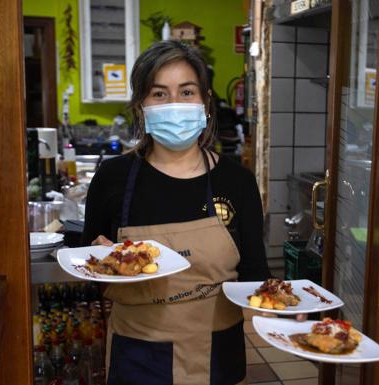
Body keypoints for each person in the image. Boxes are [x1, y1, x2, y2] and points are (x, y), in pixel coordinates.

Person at [81, 40, 270, 385]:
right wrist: (102, 260)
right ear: (141, 105)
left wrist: (285, 312)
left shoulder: (237, 182)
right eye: (159, 94)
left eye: (186, 92)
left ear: (205, 102)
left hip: (218, 355)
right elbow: (89, 265)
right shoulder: (112, 178)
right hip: (138, 356)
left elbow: (255, 275)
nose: (174, 104)